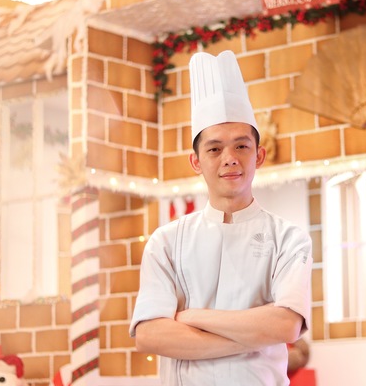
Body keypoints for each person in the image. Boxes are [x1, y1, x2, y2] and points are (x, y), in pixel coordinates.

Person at [130, 50, 313, 385]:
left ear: (259, 155)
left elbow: (285, 326)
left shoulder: (289, 237)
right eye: (214, 149)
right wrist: (252, 336)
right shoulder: (166, 241)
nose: (229, 159)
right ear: (196, 161)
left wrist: (192, 317)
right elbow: (150, 335)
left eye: (241, 147)